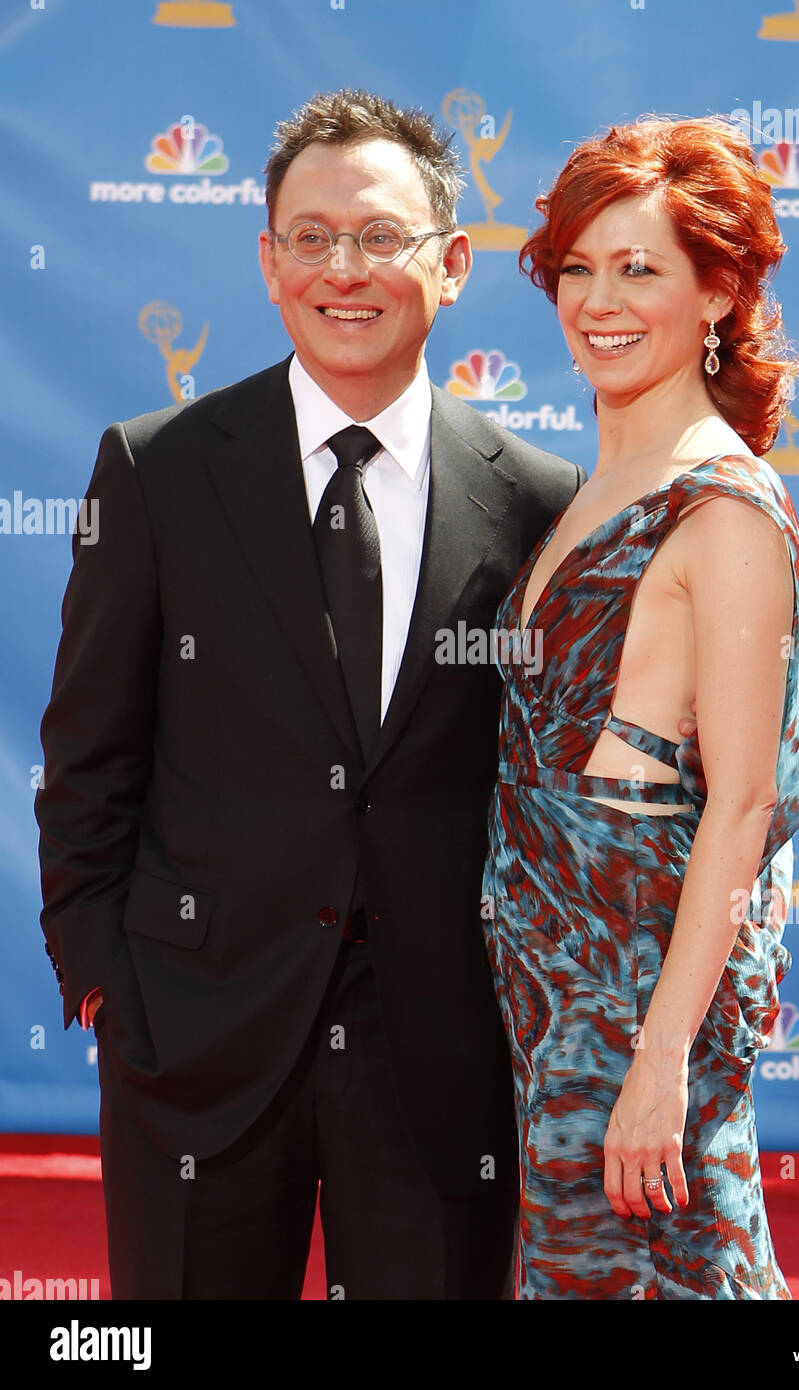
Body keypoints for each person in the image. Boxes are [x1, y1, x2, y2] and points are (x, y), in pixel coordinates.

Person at [34, 89, 585, 1300]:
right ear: (270, 263)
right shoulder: (160, 470)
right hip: (195, 1033)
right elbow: (88, 752)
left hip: (444, 1055)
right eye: (313, 237)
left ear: (450, 265)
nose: (347, 267)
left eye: (381, 238)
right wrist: (105, 979)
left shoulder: (540, 499)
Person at [481, 115, 799, 1299]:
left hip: (634, 1004)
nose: (598, 300)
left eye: (641, 267)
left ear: (720, 292)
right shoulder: (598, 487)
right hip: (558, 1003)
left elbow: (742, 806)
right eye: (579, 267)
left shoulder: (723, 507)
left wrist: (661, 1060)